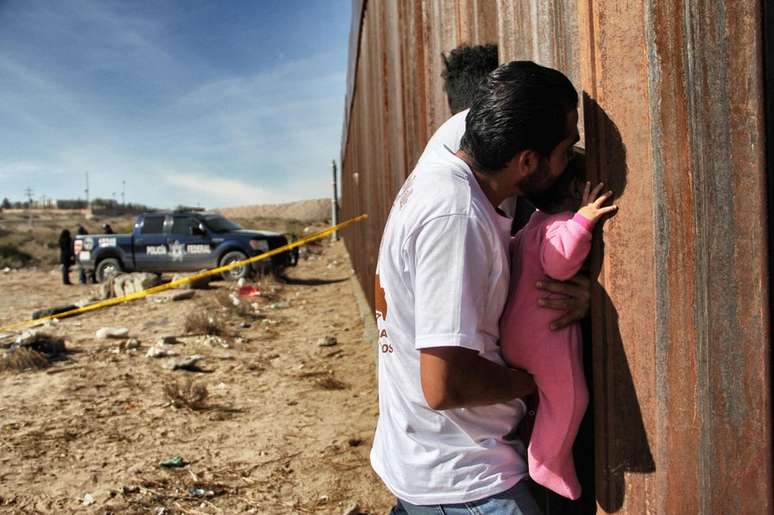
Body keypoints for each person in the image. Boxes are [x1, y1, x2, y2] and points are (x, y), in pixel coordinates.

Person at [372, 61, 581, 513]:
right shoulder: (456, 217)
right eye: (567, 148)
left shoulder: (454, 163)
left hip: (427, 461)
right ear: (526, 161)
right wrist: (537, 381)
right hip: (465, 481)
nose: (572, 162)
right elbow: (445, 385)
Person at [499, 155, 617, 500]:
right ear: (579, 191)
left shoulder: (531, 225)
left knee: (548, 401)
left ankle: (545, 457)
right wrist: (584, 220)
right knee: (571, 398)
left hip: (516, 338)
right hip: (544, 340)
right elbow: (560, 263)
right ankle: (548, 460)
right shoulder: (559, 224)